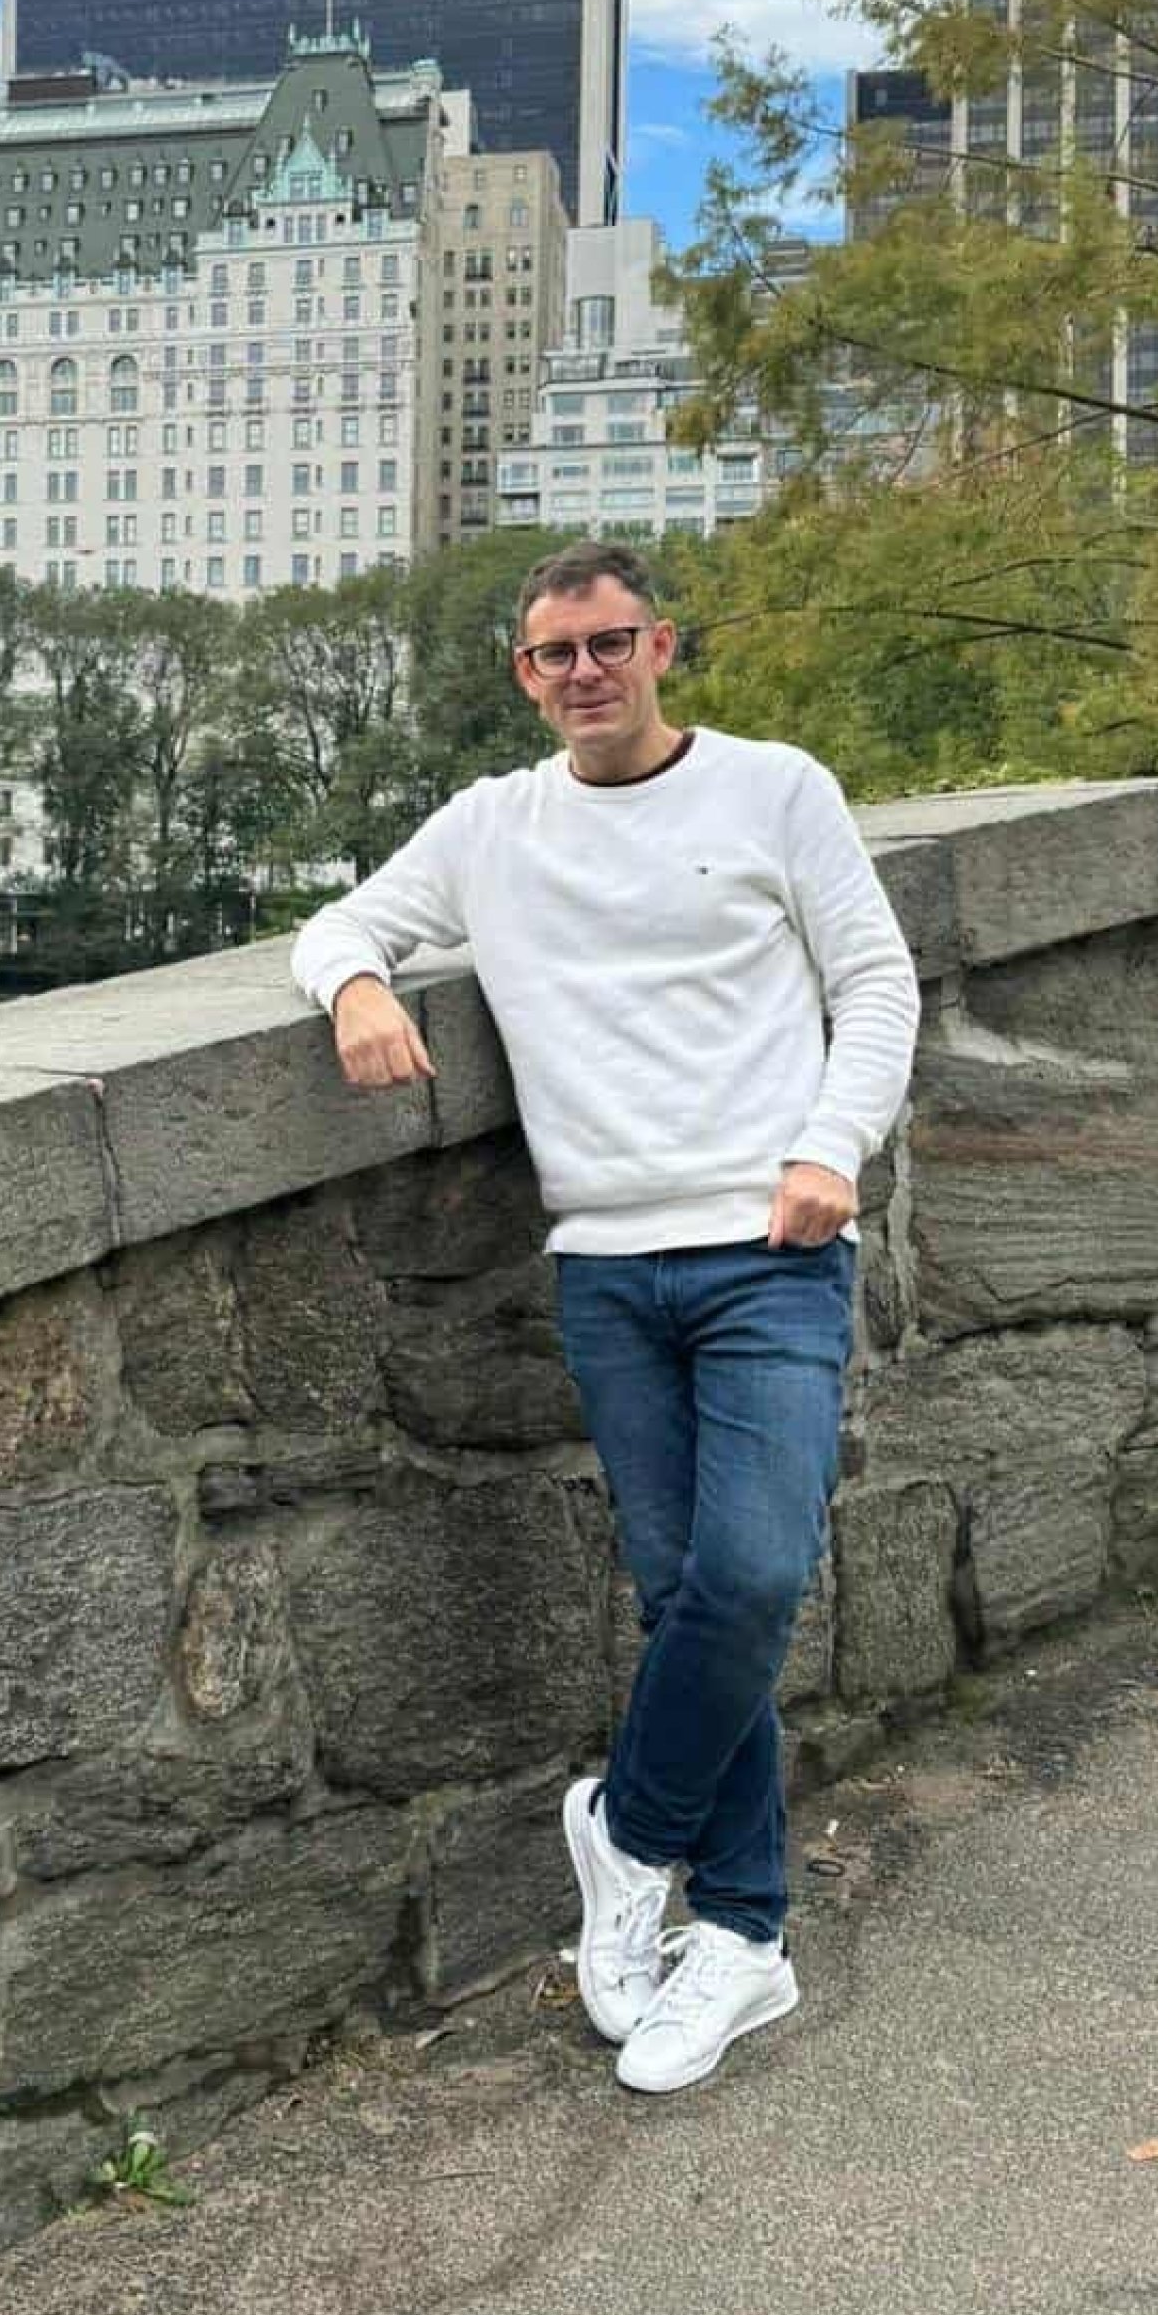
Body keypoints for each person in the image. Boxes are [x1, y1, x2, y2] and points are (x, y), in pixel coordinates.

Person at [292, 539, 919, 2095]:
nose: (584, 671)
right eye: (554, 652)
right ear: (525, 673)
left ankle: (628, 1830)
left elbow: (878, 982)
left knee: (755, 1571)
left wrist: (832, 1148)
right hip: (606, 1273)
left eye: (610, 642)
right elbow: (339, 927)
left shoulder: (776, 790)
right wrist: (358, 991)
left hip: (769, 1246)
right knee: (684, 1592)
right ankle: (748, 1935)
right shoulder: (491, 828)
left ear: (662, 647)